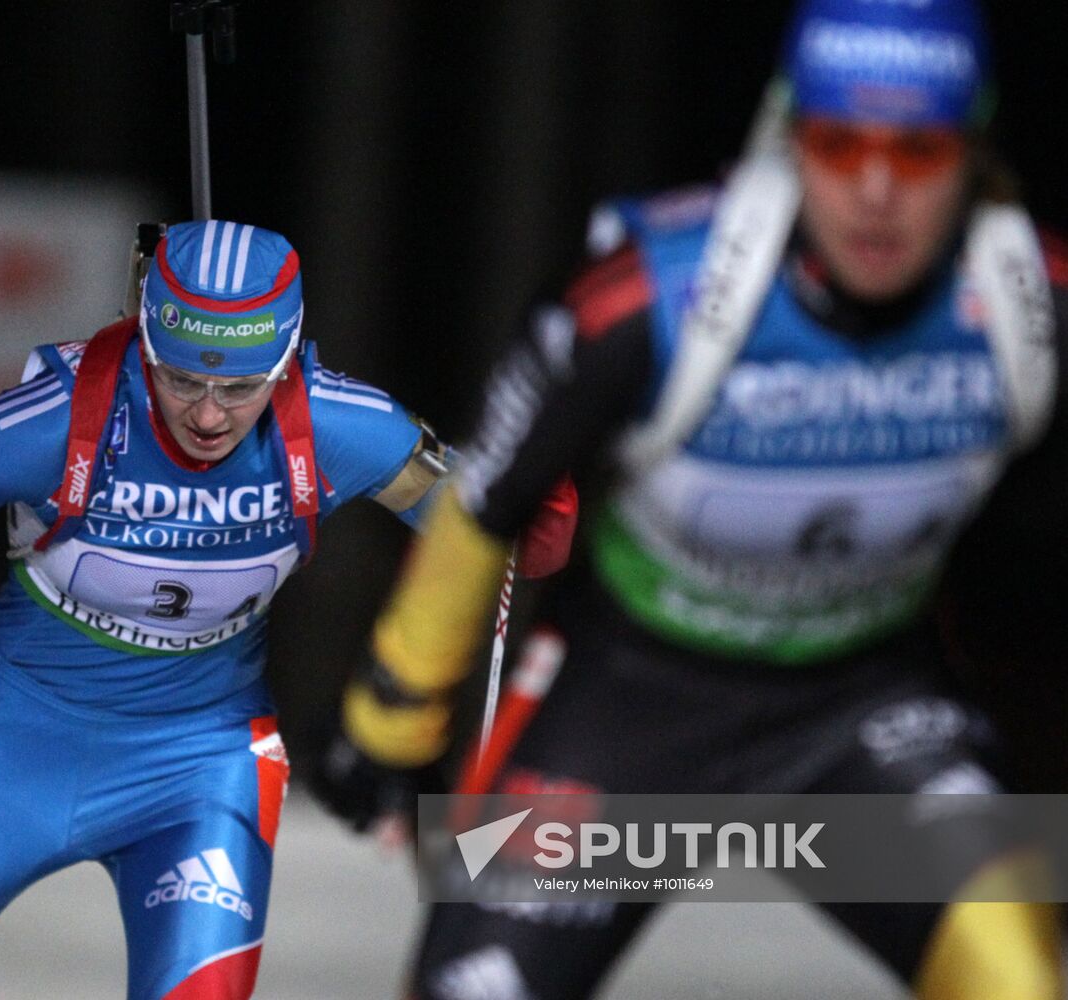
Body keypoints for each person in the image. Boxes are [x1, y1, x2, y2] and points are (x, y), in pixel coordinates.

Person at [311, 1, 1068, 997]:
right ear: (787, 142)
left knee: (1020, 980)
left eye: (918, 153)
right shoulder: (650, 297)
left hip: (857, 720)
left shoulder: (1027, 303)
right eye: (839, 146)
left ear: (974, 157)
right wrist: (392, 715)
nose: (876, 193)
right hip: (627, 719)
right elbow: (490, 498)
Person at [0, 220, 465, 1000]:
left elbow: (504, 523)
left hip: (194, 773)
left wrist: (554, 460)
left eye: (241, 387)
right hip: (1, 757)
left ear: (287, 362)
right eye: (182, 380)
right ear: (142, 341)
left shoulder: (337, 427)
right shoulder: (54, 420)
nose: (210, 416)